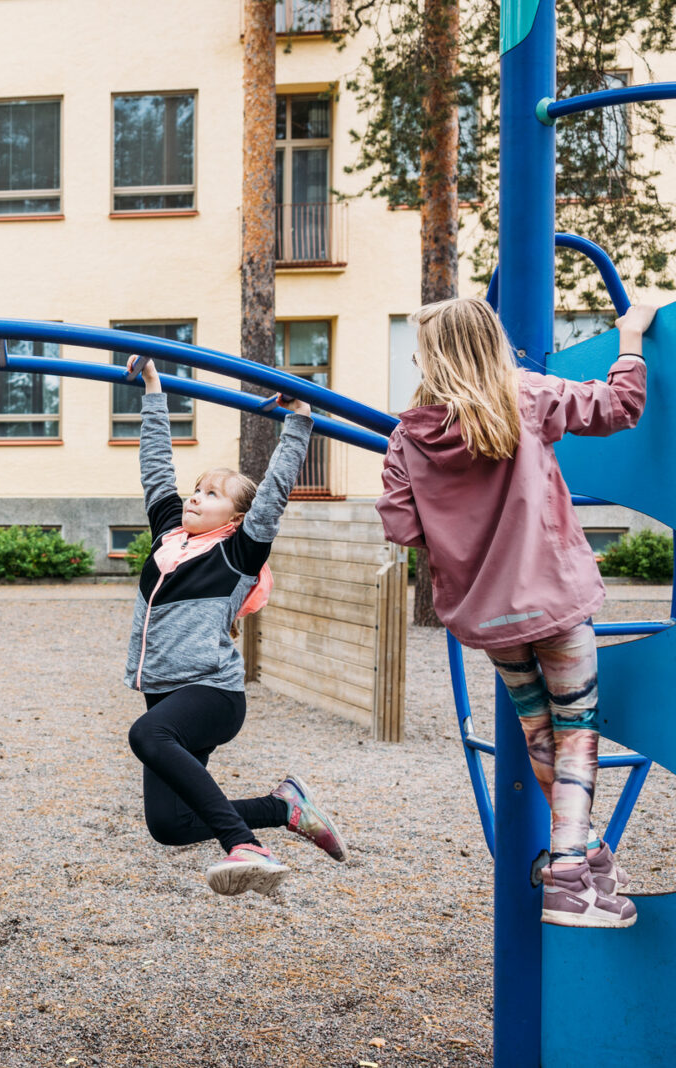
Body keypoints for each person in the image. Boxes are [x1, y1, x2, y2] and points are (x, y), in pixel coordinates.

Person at [378, 297, 654, 928]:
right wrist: (630, 338)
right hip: (553, 599)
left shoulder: (408, 435)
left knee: (539, 732)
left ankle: (586, 853)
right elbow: (620, 407)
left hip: (488, 614)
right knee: (576, 729)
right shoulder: (526, 398)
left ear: (435, 357)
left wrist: (459, 538)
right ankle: (566, 875)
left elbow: (399, 524)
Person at [124, 354, 348, 897]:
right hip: (165, 694)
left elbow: (272, 493)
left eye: (212, 493)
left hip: (212, 694)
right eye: (197, 488)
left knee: (146, 734)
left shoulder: (238, 554)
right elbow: (156, 466)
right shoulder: (167, 535)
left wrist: (299, 421)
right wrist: (153, 389)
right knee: (169, 826)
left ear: (236, 518)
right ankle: (283, 808)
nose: (196, 496)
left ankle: (244, 844)